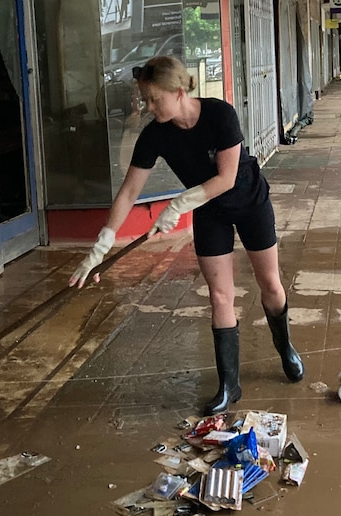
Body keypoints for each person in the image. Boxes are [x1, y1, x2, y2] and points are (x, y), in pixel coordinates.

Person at [69, 55, 304, 416]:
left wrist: (177, 206)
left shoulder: (220, 116)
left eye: (154, 99)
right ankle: (229, 384)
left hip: (248, 200)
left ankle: (284, 345)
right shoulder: (155, 133)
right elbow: (129, 192)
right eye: (145, 100)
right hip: (209, 210)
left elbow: (225, 178)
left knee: (269, 283)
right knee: (220, 295)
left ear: (179, 92)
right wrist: (100, 247)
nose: (148, 107)